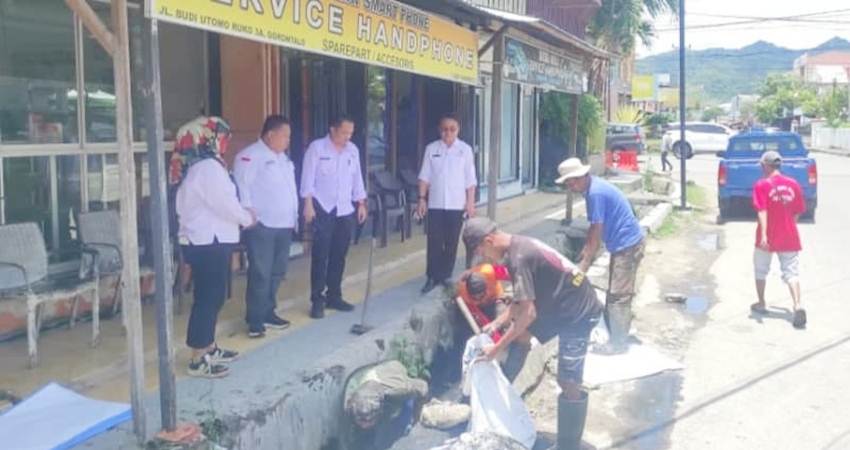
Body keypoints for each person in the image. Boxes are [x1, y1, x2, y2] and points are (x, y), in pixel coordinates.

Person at [462, 217, 603, 450]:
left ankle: (570, 446)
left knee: (568, 380)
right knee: (521, 336)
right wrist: (498, 322)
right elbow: (522, 298)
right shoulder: (517, 248)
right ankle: (505, 386)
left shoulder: (518, 258)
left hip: (577, 311)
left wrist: (496, 349)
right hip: (558, 302)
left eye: (481, 251)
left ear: (488, 240)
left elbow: (528, 314)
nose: (484, 257)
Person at [171, 116, 256, 378]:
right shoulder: (207, 168)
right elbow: (225, 204)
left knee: (212, 296)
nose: (225, 142)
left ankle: (208, 346)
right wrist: (247, 218)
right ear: (207, 139)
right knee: (209, 298)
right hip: (208, 241)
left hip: (208, 240)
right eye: (221, 137)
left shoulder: (201, 166)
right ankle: (198, 357)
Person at [557, 158, 645, 354]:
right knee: (616, 292)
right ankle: (618, 332)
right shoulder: (592, 189)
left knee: (618, 295)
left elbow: (597, 230)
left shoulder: (595, 193)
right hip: (621, 244)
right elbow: (593, 229)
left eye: (572, 182)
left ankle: (618, 344)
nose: (571, 187)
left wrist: (585, 262)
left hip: (627, 244)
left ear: (582, 176)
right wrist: (586, 252)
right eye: (568, 184)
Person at [233, 115, 298, 338]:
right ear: (270, 135)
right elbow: (243, 187)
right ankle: (255, 319)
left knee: (277, 271)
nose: (288, 140)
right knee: (261, 272)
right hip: (263, 224)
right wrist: (249, 215)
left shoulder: (282, 158)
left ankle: (268, 311)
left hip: (284, 224)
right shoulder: (250, 156)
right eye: (285, 136)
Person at [301, 115, 368, 319]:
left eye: (350, 133)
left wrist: (361, 203)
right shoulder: (317, 148)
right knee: (320, 255)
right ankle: (317, 300)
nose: (347, 137)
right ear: (332, 130)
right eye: (344, 132)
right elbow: (307, 178)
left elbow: (357, 178)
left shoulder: (352, 150)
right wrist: (308, 204)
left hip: (345, 208)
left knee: (339, 254)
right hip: (323, 207)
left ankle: (334, 295)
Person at [417, 113, 477, 294]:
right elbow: (424, 176)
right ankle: (431, 276)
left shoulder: (465, 150)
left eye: (452, 129)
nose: (448, 133)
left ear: (458, 130)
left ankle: (445, 276)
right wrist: (421, 199)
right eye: (444, 129)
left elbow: (470, 180)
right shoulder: (431, 149)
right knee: (434, 241)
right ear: (439, 130)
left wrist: (470, 203)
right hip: (435, 203)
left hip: (457, 204)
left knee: (451, 241)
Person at [750, 151, 807, 328]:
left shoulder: (761, 185)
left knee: (761, 270)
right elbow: (798, 211)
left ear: (766, 166)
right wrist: (788, 226)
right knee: (791, 272)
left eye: (762, 165)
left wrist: (764, 235)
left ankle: (761, 303)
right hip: (790, 236)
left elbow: (762, 211)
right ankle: (797, 305)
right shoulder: (793, 184)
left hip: (767, 237)